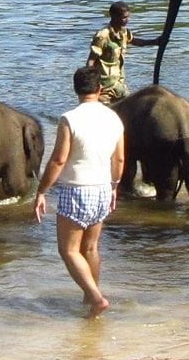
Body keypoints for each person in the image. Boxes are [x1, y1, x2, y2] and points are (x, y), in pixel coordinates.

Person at [33, 66, 125, 316]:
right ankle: (89, 298)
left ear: (76, 89)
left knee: (68, 250)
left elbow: (59, 160)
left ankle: (95, 298)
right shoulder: (113, 119)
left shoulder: (69, 119)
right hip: (103, 189)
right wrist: (115, 187)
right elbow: (119, 160)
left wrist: (41, 191)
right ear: (99, 89)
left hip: (76, 190)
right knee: (91, 248)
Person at [87, 1, 157, 103]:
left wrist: (155, 41)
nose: (127, 20)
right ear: (113, 16)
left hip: (119, 85)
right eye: (124, 17)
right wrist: (93, 84)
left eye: (128, 17)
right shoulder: (102, 36)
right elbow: (91, 61)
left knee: (131, 110)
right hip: (104, 88)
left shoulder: (124, 32)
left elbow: (135, 41)